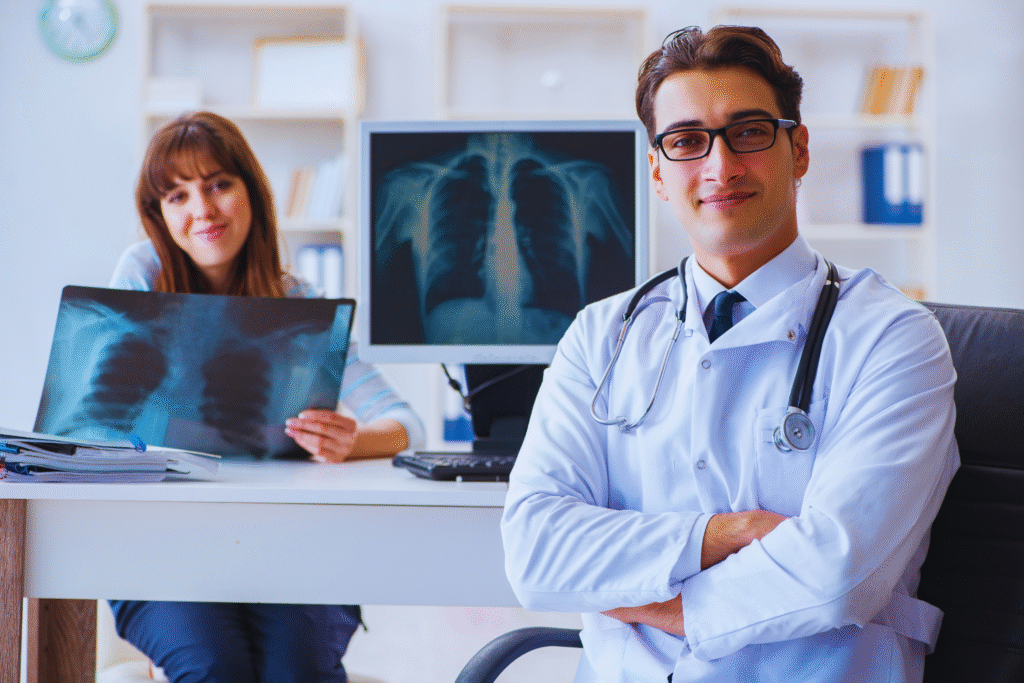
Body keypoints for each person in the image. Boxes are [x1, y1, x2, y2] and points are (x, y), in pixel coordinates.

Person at [501, 26, 959, 683]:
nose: (720, 166)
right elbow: (535, 553)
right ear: (658, 171)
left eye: (748, 131)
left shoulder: (893, 337)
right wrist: (726, 533)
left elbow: (836, 574)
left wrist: (651, 600)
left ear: (798, 149)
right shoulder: (602, 334)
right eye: (687, 141)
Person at [107, 111, 426, 683]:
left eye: (218, 185)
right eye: (176, 196)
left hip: (289, 545)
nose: (201, 210)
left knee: (295, 674)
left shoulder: (300, 302)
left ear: (252, 192)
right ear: (158, 216)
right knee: (215, 668)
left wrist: (351, 442)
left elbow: (407, 426)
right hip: (165, 549)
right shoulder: (142, 277)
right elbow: (107, 423)